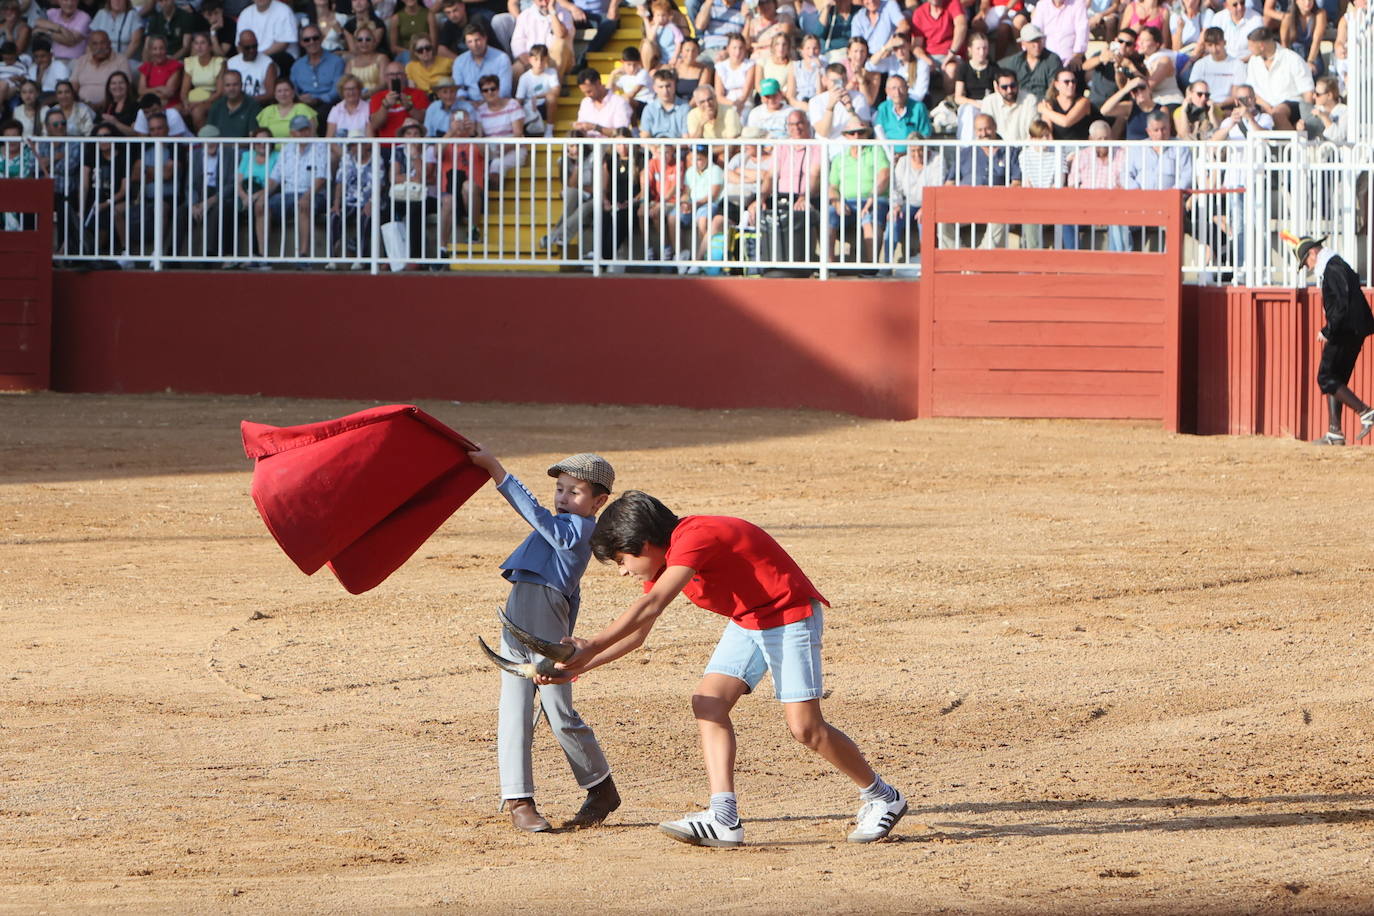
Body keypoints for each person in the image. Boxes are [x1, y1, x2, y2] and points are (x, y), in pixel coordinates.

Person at [551, 490, 907, 848]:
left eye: (621, 560)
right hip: (749, 621)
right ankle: (723, 817)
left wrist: (591, 644)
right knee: (709, 702)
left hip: (789, 615)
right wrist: (581, 665)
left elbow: (652, 604)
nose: (623, 571)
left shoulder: (695, 537)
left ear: (643, 544)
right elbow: (638, 634)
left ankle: (883, 796)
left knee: (806, 728)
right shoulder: (665, 560)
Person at [465, 447, 621, 833]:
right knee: (515, 706)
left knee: (558, 710)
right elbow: (574, 592)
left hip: (542, 613)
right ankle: (519, 800)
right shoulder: (567, 527)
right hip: (521, 609)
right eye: (560, 489)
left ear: (598, 502)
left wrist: (496, 470)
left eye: (575, 492)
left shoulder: (580, 529)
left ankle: (601, 787)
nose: (563, 498)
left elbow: (534, 514)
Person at [1294, 237, 1374, 445]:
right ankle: (1335, 433)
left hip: (1345, 330)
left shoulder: (1332, 267)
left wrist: (1328, 330)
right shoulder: (1335, 265)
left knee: (1326, 376)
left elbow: (1341, 302)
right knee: (1336, 378)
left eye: (1306, 262)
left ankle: (1365, 411)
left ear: (1313, 253)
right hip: (1353, 329)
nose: (1308, 267)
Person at [1110, 109, 1190, 251]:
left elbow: (1187, 175)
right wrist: (1137, 191)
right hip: (1140, 203)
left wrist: (1172, 195)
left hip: (1169, 205)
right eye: (1156, 130)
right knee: (1117, 218)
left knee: (1177, 219)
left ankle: (1168, 263)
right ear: (1148, 131)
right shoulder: (1137, 148)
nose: (1160, 134)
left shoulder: (1181, 147)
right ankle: (1124, 260)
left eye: (1164, 129)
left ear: (1170, 128)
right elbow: (1125, 174)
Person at [258, 113, 330, 258]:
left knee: (303, 204)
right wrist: (262, 196)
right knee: (262, 205)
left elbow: (321, 178)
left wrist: (307, 196)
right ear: (292, 133)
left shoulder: (320, 147)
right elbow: (274, 178)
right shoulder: (286, 149)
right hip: (288, 194)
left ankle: (303, 255)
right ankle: (262, 256)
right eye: (300, 130)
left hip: (314, 194)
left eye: (306, 129)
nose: (304, 133)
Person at [943, 112, 1020, 247]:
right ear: (975, 131)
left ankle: (981, 256)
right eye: (979, 130)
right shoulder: (965, 153)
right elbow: (949, 183)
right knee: (941, 217)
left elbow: (1017, 182)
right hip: (965, 204)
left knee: (1001, 216)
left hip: (997, 206)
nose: (984, 133)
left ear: (995, 127)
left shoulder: (1010, 151)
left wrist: (1002, 194)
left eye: (987, 128)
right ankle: (959, 255)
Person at [828, 116, 888, 264]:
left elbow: (884, 175)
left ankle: (871, 267)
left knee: (869, 218)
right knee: (828, 214)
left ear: (867, 134)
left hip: (874, 200)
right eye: (852, 133)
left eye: (861, 132)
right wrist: (837, 203)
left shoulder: (877, 151)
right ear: (846, 136)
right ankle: (829, 265)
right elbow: (832, 187)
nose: (856, 136)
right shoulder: (839, 158)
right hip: (847, 203)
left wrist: (871, 199)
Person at [1244, 26, 1311, 130]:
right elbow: (1251, 89)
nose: (1249, 49)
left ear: (1261, 46)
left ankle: (1293, 141)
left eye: (1251, 46)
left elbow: (1307, 90)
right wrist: (1267, 107)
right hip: (1262, 104)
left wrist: (1307, 118)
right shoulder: (1253, 61)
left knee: (1277, 114)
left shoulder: (1292, 59)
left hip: (1291, 103)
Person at [473, 71, 525, 175]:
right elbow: (479, 135)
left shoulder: (513, 105)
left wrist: (504, 148)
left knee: (496, 165)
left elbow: (518, 133)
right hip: (491, 150)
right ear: (481, 93)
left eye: (493, 89)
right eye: (485, 90)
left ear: (498, 89)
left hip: (513, 148)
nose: (490, 92)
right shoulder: (480, 110)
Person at [292, 23, 346, 116]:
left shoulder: (336, 62)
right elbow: (293, 89)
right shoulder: (297, 66)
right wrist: (299, 98)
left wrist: (318, 100)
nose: (312, 42)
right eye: (307, 40)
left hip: (329, 105)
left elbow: (337, 89)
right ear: (301, 43)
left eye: (315, 38)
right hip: (304, 105)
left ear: (321, 38)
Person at [997, 23, 1059, 101]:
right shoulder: (1015, 61)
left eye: (1038, 40)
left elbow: (1053, 89)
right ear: (1023, 43)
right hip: (1019, 102)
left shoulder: (1052, 60)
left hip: (1043, 102)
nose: (1036, 45)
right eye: (1032, 41)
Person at [509, 0, 571, 77]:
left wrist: (552, 11)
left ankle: (552, 83)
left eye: (547, 0)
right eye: (541, 0)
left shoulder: (564, 13)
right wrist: (529, 61)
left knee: (559, 45)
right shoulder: (525, 15)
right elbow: (517, 41)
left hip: (554, 60)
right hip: (531, 59)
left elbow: (561, 34)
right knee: (515, 70)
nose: (544, 3)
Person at [69, 31, 129, 110]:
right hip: (82, 107)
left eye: (103, 43)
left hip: (110, 107)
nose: (99, 47)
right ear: (89, 46)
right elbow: (73, 86)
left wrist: (102, 104)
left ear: (109, 43)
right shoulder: (82, 60)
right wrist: (81, 103)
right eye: (95, 44)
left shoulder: (121, 60)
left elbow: (125, 88)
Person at [452, 23, 511, 103]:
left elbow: (505, 90)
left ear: (485, 38)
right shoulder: (459, 61)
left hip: (496, 103)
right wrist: (466, 103)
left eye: (477, 40)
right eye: (470, 42)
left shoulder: (501, 58)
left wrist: (484, 104)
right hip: (469, 104)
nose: (474, 45)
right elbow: (459, 89)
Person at [1188, 26, 1245, 107]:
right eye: (1210, 45)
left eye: (1217, 44)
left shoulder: (1237, 64)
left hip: (1227, 107)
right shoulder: (1200, 64)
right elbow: (1191, 90)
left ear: (1224, 43)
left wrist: (1218, 106)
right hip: (1203, 105)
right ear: (1205, 46)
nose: (1214, 49)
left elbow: (1236, 95)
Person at [369, 59, 428, 135]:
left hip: (411, 141)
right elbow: (375, 125)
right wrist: (385, 106)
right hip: (387, 142)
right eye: (391, 74)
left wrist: (409, 107)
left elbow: (423, 120)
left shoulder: (418, 93)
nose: (395, 77)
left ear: (405, 76)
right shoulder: (377, 97)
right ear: (385, 78)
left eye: (399, 74)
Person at [872, 72, 931, 144]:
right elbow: (879, 135)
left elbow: (925, 135)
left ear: (907, 89)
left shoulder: (919, 108)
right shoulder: (883, 108)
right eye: (893, 88)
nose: (897, 92)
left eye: (901, 88)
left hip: (913, 149)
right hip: (887, 150)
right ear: (887, 91)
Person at [571, 67, 631, 136]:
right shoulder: (585, 102)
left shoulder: (619, 102)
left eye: (589, 91)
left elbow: (621, 134)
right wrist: (579, 128)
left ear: (598, 83)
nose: (587, 95)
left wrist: (595, 127)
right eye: (584, 92)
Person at [979, 66, 1035, 140]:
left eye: (1013, 86)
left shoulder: (1029, 100)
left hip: (1025, 146)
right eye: (1004, 87)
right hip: (996, 146)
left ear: (1018, 84)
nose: (1009, 90)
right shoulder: (989, 102)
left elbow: (1033, 131)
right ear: (997, 87)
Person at [183, 32, 226, 128]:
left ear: (210, 47)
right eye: (196, 43)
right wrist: (186, 104)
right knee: (175, 111)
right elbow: (184, 91)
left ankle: (203, 137)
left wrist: (198, 103)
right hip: (193, 100)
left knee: (197, 111)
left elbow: (219, 92)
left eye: (203, 43)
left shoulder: (218, 62)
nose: (199, 47)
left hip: (212, 100)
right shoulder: (190, 62)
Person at [1031, 0, 1088, 68]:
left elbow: (1082, 32)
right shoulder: (1042, 5)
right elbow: (1035, 32)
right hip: (1046, 61)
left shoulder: (1078, 4)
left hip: (1071, 61)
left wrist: (1078, 55)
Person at [229, 29, 279, 106]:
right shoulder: (231, 63)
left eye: (254, 46)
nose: (252, 50)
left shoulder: (267, 63)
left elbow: (271, 94)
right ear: (240, 46)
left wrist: (246, 101)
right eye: (247, 48)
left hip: (259, 105)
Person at [713, 31, 757, 116]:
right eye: (734, 48)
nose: (737, 52)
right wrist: (733, 104)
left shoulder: (750, 65)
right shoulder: (720, 67)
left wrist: (739, 103)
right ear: (728, 49)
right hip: (727, 101)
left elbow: (746, 92)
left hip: (746, 102)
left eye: (741, 48)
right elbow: (719, 95)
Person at [207, 67, 262, 135]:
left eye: (235, 84)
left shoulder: (253, 106)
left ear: (241, 85)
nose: (231, 89)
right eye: (228, 85)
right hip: (219, 142)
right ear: (223, 87)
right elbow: (209, 134)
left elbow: (253, 136)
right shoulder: (216, 106)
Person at [1281, 0, 1326, 78]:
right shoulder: (1288, 17)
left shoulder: (1319, 14)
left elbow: (1317, 40)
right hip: (1294, 53)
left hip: (1312, 53)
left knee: (1313, 71)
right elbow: (1284, 43)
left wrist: (1310, 61)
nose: (1307, 2)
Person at [640, 67, 688, 137]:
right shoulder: (649, 109)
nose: (665, 91)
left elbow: (686, 138)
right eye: (661, 87)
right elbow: (645, 136)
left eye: (668, 86)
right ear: (654, 88)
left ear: (674, 86)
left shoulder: (685, 108)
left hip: (677, 143)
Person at [343, 24, 386, 97]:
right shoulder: (351, 63)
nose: (364, 42)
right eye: (360, 40)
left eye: (368, 39)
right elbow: (346, 84)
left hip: (376, 98)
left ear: (374, 42)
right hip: (355, 99)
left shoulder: (382, 59)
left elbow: (384, 84)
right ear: (356, 43)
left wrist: (368, 94)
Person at [641, 0, 684, 69]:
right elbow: (651, 38)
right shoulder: (654, 27)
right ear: (654, 16)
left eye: (663, 15)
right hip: (661, 57)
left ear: (668, 15)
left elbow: (678, 43)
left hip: (672, 55)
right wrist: (656, 25)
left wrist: (675, 56)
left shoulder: (672, 27)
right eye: (658, 15)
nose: (661, 18)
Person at [785, 32, 823, 107]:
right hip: (799, 104)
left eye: (815, 48)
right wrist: (802, 106)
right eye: (808, 48)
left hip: (817, 105)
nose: (811, 52)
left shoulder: (824, 67)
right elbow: (790, 96)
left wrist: (819, 70)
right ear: (802, 50)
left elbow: (821, 95)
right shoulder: (795, 66)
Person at [671, 36, 713, 104]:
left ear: (698, 52)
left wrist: (688, 107)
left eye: (694, 51)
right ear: (681, 51)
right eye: (687, 50)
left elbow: (700, 94)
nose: (690, 54)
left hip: (695, 105)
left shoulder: (704, 70)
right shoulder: (675, 67)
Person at [99, 70, 140, 135]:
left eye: (121, 83)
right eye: (113, 83)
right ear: (109, 87)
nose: (117, 86)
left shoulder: (136, 106)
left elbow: (136, 133)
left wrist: (115, 123)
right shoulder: (104, 107)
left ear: (127, 86)